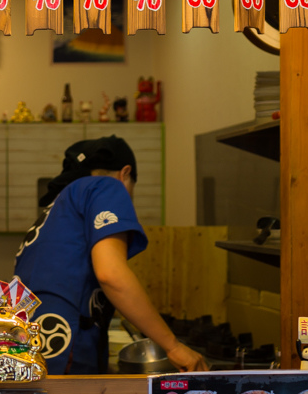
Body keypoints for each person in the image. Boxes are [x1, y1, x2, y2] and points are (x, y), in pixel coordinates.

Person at [14, 135, 208, 375]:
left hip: (28, 349)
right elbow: (111, 274)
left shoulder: (56, 209)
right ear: (125, 173)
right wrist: (173, 346)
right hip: (65, 347)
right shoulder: (105, 185)